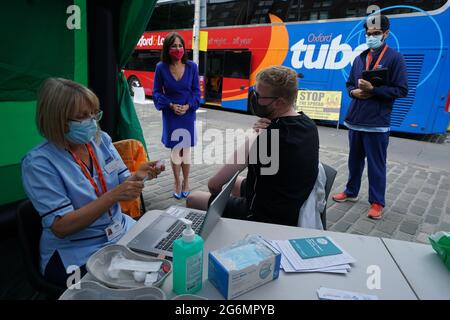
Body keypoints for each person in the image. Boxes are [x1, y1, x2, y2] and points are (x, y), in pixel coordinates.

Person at [21, 78, 165, 287]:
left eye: (93, 114)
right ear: (57, 120)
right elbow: (61, 226)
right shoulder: (39, 163)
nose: (91, 122)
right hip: (76, 252)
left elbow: (123, 185)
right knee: (136, 286)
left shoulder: (101, 140)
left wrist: (139, 175)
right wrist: (114, 196)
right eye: (82, 116)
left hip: (120, 231)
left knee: (165, 253)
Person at [187, 66, 319, 227]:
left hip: (263, 216)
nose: (254, 98)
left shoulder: (265, 137)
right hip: (290, 202)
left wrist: (253, 136)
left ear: (279, 102)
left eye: (258, 95)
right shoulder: (308, 124)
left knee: (193, 198)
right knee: (234, 183)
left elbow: (214, 185)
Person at [332, 15, 408, 219]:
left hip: (377, 123)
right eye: (368, 34)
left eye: (375, 34)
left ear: (385, 34)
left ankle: (377, 202)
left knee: (376, 165)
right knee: (354, 161)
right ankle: (351, 192)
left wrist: (374, 89)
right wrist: (352, 92)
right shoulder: (359, 57)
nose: (371, 37)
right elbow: (349, 83)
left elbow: (401, 90)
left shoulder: (395, 58)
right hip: (355, 120)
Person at [153, 32, 201, 199]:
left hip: (188, 113)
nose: (177, 48)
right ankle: (176, 181)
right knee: (175, 149)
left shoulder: (192, 67)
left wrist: (188, 106)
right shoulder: (161, 67)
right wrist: (171, 105)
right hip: (171, 113)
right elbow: (156, 92)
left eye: (180, 45)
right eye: (173, 45)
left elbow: (196, 91)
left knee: (185, 150)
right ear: (167, 48)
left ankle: (186, 181)